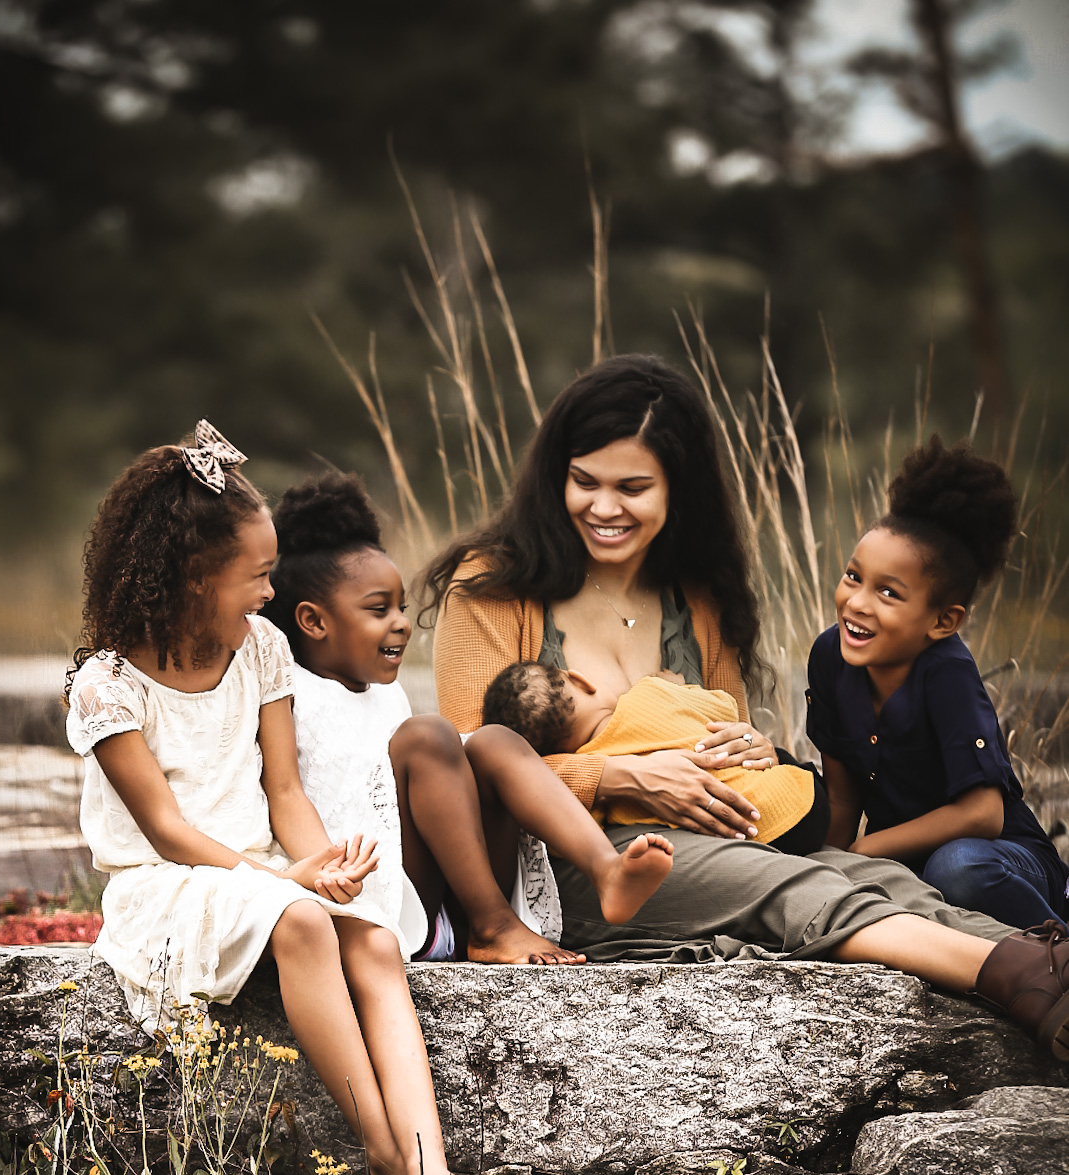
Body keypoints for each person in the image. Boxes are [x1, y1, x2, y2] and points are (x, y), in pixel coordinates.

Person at [425, 353, 1069, 1059]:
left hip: (707, 838)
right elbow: (467, 766)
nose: (604, 508)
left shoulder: (695, 596)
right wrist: (617, 777)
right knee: (786, 884)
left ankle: (1052, 966)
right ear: (557, 477)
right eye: (584, 481)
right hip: (574, 862)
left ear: (678, 491)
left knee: (872, 875)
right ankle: (1014, 979)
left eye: (633, 488)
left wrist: (753, 748)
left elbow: (721, 726)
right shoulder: (490, 585)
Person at [65, 421, 496, 1175]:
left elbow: (287, 791)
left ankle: (430, 1165)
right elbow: (164, 830)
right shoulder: (107, 685)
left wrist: (321, 862)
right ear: (195, 577)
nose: (270, 593)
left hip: (264, 868)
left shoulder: (261, 649)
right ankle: (383, 1150)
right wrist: (287, 885)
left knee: (367, 933)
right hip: (171, 886)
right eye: (256, 575)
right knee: (303, 922)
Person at [262, 472, 674, 968]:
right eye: (378, 610)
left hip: (444, 899)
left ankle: (605, 871)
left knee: (493, 740)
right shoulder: (286, 691)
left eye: (402, 607)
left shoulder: (386, 696)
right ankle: (494, 926)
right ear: (313, 621)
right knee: (430, 733)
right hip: (379, 903)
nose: (400, 622)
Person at [807, 434, 1069, 930]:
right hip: (907, 867)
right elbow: (842, 798)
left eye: (888, 592)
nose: (857, 602)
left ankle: (1054, 956)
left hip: (1000, 859)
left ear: (942, 621)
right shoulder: (830, 657)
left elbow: (983, 814)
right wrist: (825, 867)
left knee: (957, 867)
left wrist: (866, 850)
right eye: (852, 576)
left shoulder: (945, 669)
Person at [481, 659, 828, 853]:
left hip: (751, 840)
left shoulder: (596, 778)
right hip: (800, 802)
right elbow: (725, 708)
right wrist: (676, 687)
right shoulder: (647, 693)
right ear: (581, 679)